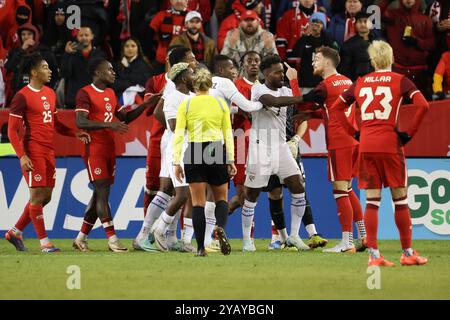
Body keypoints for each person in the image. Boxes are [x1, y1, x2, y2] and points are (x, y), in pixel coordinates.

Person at [331, 40, 429, 266]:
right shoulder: (401, 81)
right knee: (400, 199)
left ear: (372, 61)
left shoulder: (360, 82)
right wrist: (407, 134)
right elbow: (423, 105)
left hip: (366, 145)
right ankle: (407, 253)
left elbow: (336, 108)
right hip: (390, 145)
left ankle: (374, 256)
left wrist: (353, 132)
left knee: (372, 202)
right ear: (392, 59)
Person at [72, 58, 161, 253]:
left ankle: (80, 238)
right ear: (97, 72)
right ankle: (112, 239)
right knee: (102, 192)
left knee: (98, 195)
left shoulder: (111, 93)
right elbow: (80, 121)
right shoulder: (85, 93)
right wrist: (109, 125)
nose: (113, 72)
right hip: (93, 149)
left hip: (109, 148)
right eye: (109, 69)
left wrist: (146, 104)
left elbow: (126, 117)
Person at [4, 53, 90, 252]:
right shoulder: (21, 96)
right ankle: (45, 243)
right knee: (36, 196)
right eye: (44, 67)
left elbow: (56, 124)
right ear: (34, 72)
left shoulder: (50, 93)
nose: (49, 71)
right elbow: (11, 130)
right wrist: (22, 156)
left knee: (47, 196)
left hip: (49, 150)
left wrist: (74, 133)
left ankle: (15, 232)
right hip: (32, 150)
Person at [292, 46, 367, 252]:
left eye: (316, 59)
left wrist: (292, 81)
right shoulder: (346, 81)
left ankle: (347, 242)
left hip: (338, 142)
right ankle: (364, 235)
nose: (312, 63)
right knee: (349, 189)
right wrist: (311, 116)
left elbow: (302, 102)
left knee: (340, 191)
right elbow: (331, 110)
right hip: (351, 140)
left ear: (327, 62)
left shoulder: (325, 86)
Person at [242, 54, 310, 252]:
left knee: (298, 186)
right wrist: (305, 97)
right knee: (252, 194)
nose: (282, 75)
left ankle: (295, 236)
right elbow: (274, 101)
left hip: (281, 147)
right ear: (266, 73)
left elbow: (298, 105)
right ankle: (247, 240)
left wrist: (296, 82)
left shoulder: (287, 90)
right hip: (260, 147)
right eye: (277, 72)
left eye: (283, 71)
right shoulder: (258, 89)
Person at [134, 46, 199, 251]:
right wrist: (177, 130)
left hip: (176, 141)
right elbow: (158, 112)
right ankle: (147, 234)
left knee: (172, 191)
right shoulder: (174, 86)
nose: (195, 62)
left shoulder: (185, 89)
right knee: (174, 191)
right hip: (174, 143)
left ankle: (168, 237)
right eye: (192, 59)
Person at [172, 68, 237, 257]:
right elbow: (228, 134)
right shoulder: (220, 103)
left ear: (194, 84)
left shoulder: (187, 104)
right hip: (215, 149)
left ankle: (200, 248)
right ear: (210, 85)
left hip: (194, 150)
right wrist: (230, 159)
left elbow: (178, 134)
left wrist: (177, 161)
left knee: (198, 203)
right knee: (221, 199)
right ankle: (220, 227)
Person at [380, 0, 435, 100]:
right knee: (398, 106)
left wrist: (416, 42)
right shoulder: (392, 16)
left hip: (420, 72)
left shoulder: (426, 19)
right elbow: (375, 12)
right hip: (398, 70)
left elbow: (431, 44)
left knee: (421, 105)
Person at [5, 23, 59, 94]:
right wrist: (21, 50)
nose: (26, 37)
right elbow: (8, 68)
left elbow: (54, 73)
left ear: (35, 35)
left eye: (29, 34)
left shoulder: (45, 52)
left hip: (40, 92)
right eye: (23, 34)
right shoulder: (16, 52)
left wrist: (49, 90)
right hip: (19, 92)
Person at [60, 26, 105, 108]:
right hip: (74, 99)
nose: (84, 37)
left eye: (86, 35)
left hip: (94, 99)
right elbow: (64, 73)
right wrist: (66, 54)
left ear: (92, 36)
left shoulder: (100, 55)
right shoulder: (71, 54)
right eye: (81, 35)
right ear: (77, 37)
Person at [290, 11, 334, 93]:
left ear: (324, 26)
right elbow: (296, 53)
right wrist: (306, 34)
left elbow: (334, 55)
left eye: (320, 23)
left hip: (323, 83)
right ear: (309, 24)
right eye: (314, 22)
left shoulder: (327, 40)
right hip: (305, 83)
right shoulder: (304, 39)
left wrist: (323, 33)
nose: (316, 25)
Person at [147, 0, 189, 74]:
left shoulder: (193, 18)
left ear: (187, 1)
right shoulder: (160, 16)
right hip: (162, 60)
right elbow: (147, 37)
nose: (179, 1)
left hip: (185, 60)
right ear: (170, 1)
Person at [339, 11, 382, 81]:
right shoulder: (348, 45)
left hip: (377, 80)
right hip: (357, 81)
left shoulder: (380, 42)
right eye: (360, 21)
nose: (362, 24)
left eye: (365, 21)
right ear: (355, 24)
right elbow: (344, 68)